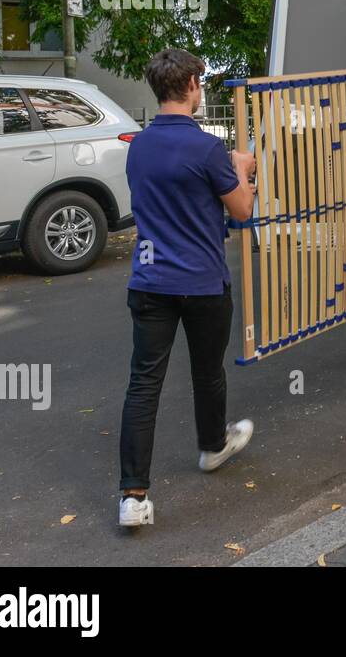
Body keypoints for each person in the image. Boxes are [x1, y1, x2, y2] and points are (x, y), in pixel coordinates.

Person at [117, 48, 257, 528]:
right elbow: (241, 211)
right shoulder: (207, 148)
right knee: (207, 371)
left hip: (150, 279)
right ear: (193, 85)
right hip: (201, 282)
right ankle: (212, 446)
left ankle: (134, 497)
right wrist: (241, 167)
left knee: (143, 384)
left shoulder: (138, 144)